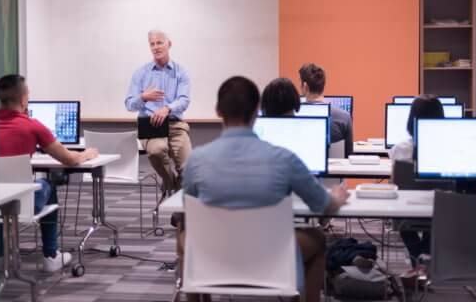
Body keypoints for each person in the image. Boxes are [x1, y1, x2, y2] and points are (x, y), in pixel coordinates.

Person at [180, 76, 349, 302]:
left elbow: (188, 213)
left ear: (218, 111)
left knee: (186, 237)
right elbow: (324, 207)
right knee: (317, 238)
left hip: (215, 257)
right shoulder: (285, 159)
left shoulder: (196, 161)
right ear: (256, 110)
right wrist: (336, 197)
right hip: (271, 257)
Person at [0, 74, 98, 272]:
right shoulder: (31, 125)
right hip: (22, 204)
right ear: (23, 98)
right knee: (49, 186)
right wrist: (87, 153)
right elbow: (69, 159)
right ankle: (50, 255)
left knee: (0, 192)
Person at [125, 30, 192, 192]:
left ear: (169, 44)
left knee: (189, 168)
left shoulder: (181, 72)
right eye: (152, 44)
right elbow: (129, 104)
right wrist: (143, 97)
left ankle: (179, 192)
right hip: (151, 126)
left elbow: (184, 100)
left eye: (159, 42)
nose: (156, 47)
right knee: (156, 151)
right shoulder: (141, 73)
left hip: (175, 125)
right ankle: (172, 184)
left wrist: (167, 108)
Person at [388, 95, 444, 268]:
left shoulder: (399, 149)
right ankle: (425, 254)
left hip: (406, 213)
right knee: (432, 220)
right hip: (442, 211)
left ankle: (417, 256)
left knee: (401, 215)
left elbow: (393, 185)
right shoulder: (448, 149)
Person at [299, 63, 353, 158]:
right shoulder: (344, 117)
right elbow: (349, 155)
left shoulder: (295, 116)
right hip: (335, 172)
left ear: (305, 86)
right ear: (323, 85)